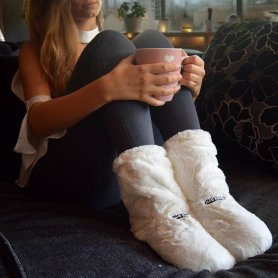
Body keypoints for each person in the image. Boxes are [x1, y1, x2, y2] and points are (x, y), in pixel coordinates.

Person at [12, 0, 272, 273]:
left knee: (153, 41)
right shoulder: (38, 48)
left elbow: (137, 125)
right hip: (67, 176)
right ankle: (157, 212)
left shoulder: (125, 52)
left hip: (119, 180)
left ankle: (210, 196)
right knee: (110, 43)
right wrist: (108, 88)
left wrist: (187, 89)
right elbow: (39, 122)